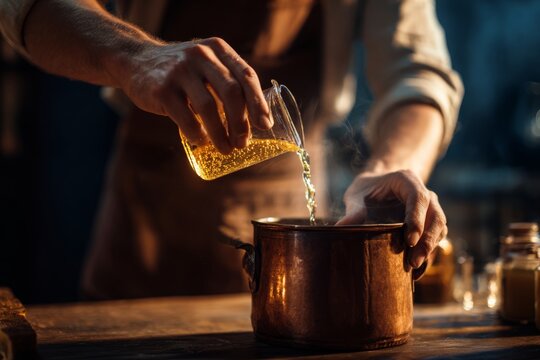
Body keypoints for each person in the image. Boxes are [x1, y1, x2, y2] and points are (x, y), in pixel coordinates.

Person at [0, 0, 463, 299]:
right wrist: (135, 56)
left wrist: (388, 169)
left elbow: (418, 73)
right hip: (144, 220)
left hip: (288, 235)